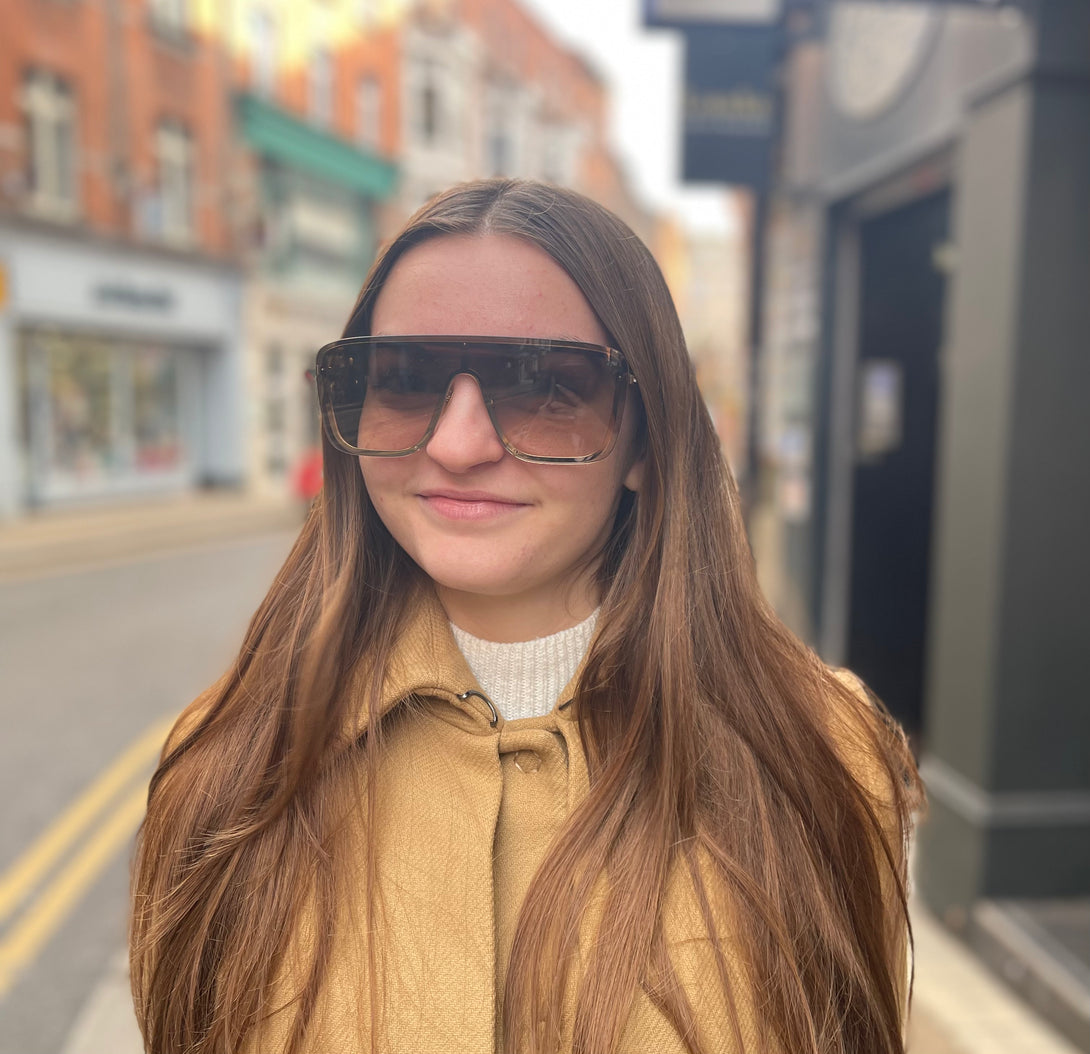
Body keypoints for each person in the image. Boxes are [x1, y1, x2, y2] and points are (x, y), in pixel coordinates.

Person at [131, 179, 921, 1054]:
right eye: (405, 381)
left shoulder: (826, 757)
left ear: (646, 439)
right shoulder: (227, 768)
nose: (456, 445)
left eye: (544, 387)